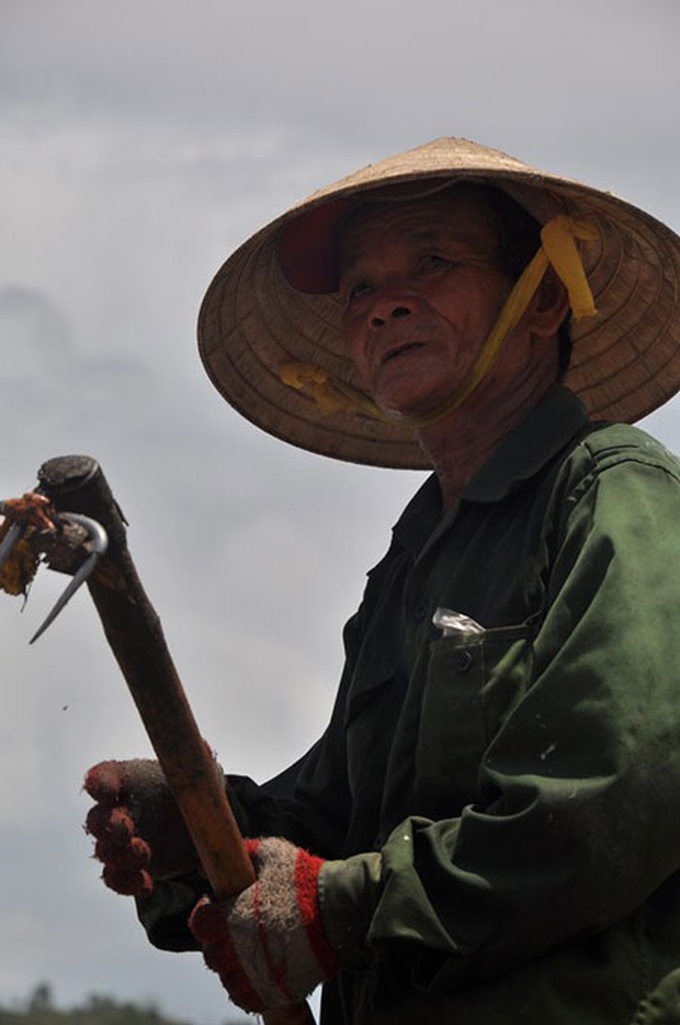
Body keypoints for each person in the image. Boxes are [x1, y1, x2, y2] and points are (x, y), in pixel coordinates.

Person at [84, 138, 680, 1024]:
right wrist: (202, 827)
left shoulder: (613, 492)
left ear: (544, 298)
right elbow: (335, 822)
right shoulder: (414, 562)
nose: (384, 305)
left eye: (432, 263)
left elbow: (611, 800)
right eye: (360, 287)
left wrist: (339, 909)